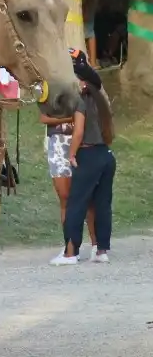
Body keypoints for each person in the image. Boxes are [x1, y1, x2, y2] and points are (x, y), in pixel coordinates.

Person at [51, 56, 115, 265]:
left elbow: (78, 132)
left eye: (76, 80)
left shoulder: (81, 101)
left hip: (88, 154)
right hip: (106, 155)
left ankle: (70, 253)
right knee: (103, 204)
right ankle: (101, 251)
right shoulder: (102, 102)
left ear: (84, 83)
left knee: (76, 203)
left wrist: (71, 154)